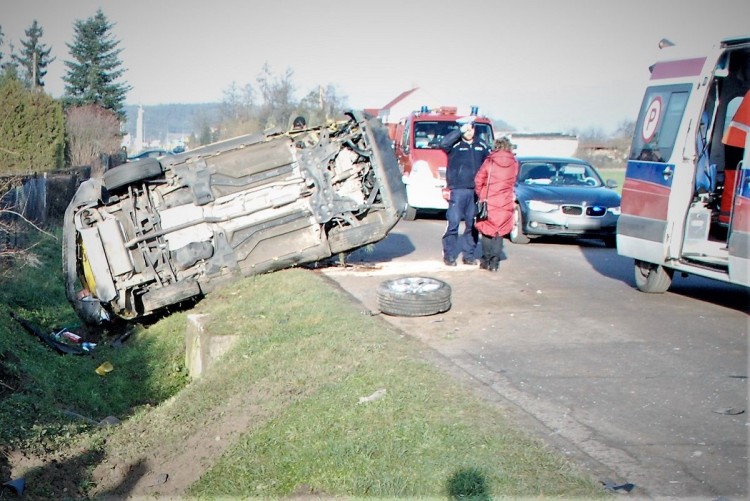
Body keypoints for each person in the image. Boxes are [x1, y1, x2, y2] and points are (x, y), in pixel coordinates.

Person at [438, 118, 490, 266]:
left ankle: (469, 256)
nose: (469, 132)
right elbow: (443, 144)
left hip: (475, 191)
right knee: (453, 223)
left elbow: (489, 164)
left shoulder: (481, 145)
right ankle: (449, 255)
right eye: (466, 130)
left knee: (471, 225)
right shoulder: (454, 144)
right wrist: (459, 131)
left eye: (471, 129)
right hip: (458, 189)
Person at [474, 137, 519, 272]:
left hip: (489, 200)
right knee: (499, 232)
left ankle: (485, 260)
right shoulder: (514, 163)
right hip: (505, 201)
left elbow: (478, 179)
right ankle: (495, 263)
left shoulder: (490, 161)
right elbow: (513, 181)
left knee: (487, 230)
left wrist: (481, 193)